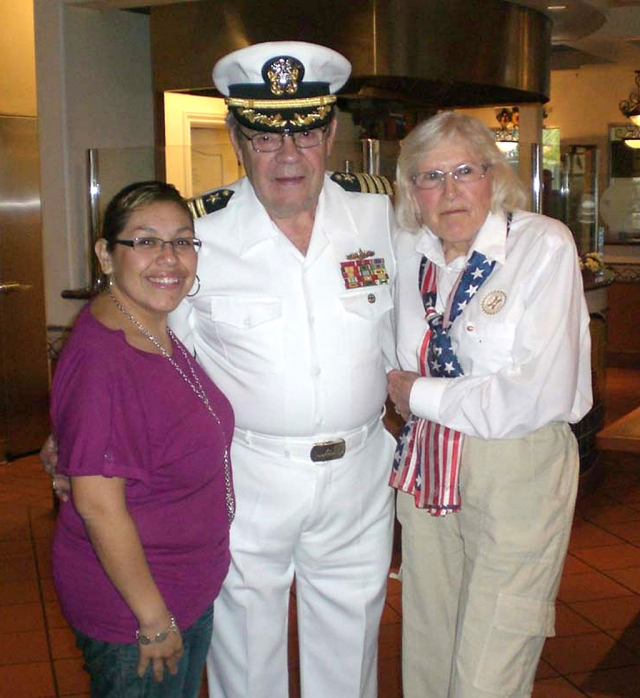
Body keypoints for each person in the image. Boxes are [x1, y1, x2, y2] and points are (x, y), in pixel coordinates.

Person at [169, 41, 397, 698]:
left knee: (351, 645)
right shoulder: (195, 233)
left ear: (331, 131)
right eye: (266, 138)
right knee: (244, 652)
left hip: (359, 474)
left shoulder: (380, 214)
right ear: (237, 138)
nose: (288, 156)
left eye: (304, 134)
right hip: (248, 477)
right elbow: (155, 354)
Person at [387, 112, 592, 698]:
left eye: (463, 171)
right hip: (428, 459)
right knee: (428, 644)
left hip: (515, 463)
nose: (449, 191)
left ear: (492, 176)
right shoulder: (408, 251)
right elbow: (384, 348)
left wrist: (418, 393)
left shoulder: (542, 244)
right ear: (412, 193)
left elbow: (533, 393)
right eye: (430, 177)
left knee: (492, 656)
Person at [49, 181, 234, 698]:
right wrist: (152, 619)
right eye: (146, 241)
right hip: (137, 611)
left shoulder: (149, 327)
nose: (168, 258)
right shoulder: (106, 359)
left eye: (182, 240)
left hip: (179, 587)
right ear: (106, 255)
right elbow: (99, 507)